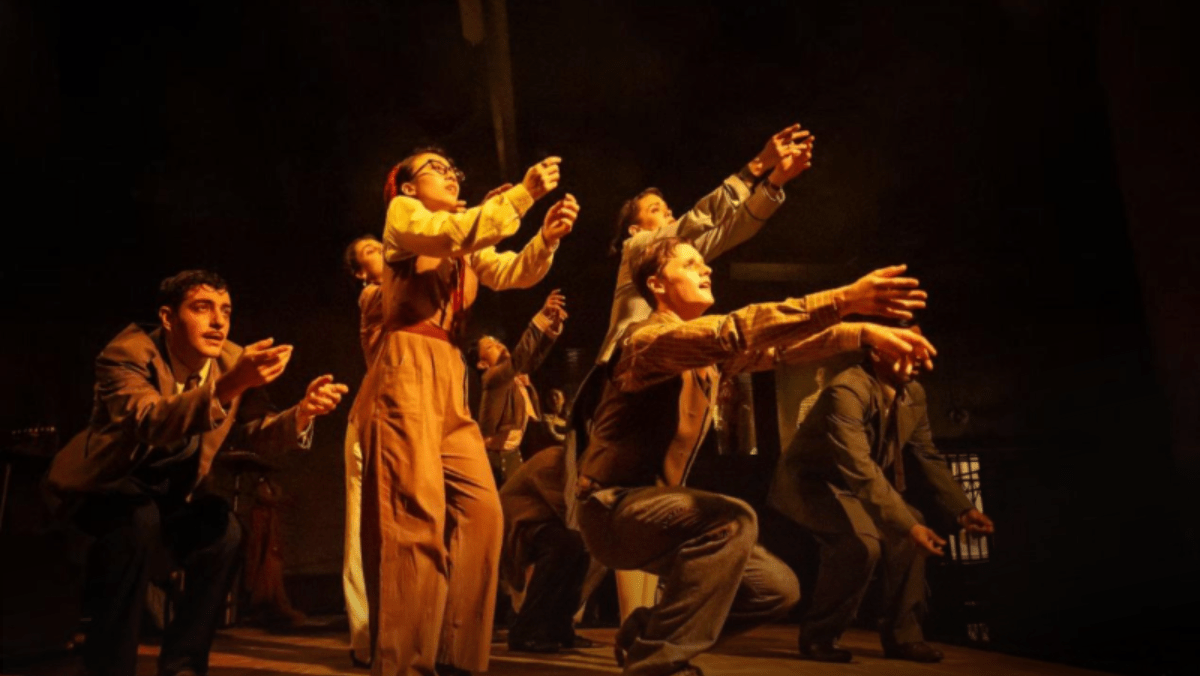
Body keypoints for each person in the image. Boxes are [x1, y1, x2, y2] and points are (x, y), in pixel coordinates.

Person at [574, 236, 937, 676]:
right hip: (611, 510)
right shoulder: (647, 343)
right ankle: (657, 664)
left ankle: (647, 632)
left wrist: (861, 332)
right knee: (733, 518)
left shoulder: (704, 359)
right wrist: (843, 300)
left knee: (775, 590)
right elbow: (733, 331)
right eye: (690, 263)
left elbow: (779, 350)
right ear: (657, 284)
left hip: (657, 518)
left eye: (704, 262)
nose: (706, 269)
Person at [45, 270, 348, 676]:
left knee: (225, 532)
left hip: (171, 494)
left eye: (226, 310)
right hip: (103, 486)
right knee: (137, 521)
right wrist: (228, 387)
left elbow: (255, 430)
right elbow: (148, 421)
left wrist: (302, 414)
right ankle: (110, 667)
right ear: (168, 318)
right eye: (202, 308)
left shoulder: (231, 361)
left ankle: (184, 666)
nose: (218, 322)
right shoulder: (128, 353)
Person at [349, 146, 577, 676]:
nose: (450, 175)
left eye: (454, 169)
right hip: (408, 363)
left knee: (484, 514)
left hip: (450, 372)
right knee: (415, 517)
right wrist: (522, 195)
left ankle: (457, 658)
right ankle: (406, 663)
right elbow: (452, 233)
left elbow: (511, 271)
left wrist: (545, 239)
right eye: (436, 169)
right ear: (408, 186)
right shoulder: (405, 216)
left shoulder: (463, 242)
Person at [574, 124, 814, 621]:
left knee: (653, 509)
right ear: (637, 231)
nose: (668, 215)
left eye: (667, 208)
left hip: (668, 383)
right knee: (603, 511)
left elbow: (730, 229)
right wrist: (755, 167)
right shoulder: (639, 252)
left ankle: (647, 624)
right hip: (627, 383)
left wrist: (773, 184)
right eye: (656, 211)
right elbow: (699, 220)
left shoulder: (679, 258)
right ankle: (589, 616)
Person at [768, 327, 994, 664]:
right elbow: (858, 466)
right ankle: (820, 636)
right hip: (810, 484)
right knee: (861, 544)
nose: (919, 359)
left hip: (855, 485)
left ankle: (904, 637)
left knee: (911, 526)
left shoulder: (913, 393)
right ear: (877, 352)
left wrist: (962, 509)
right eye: (906, 349)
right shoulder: (847, 389)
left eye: (921, 350)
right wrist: (906, 525)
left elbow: (926, 454)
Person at [498, 446, 595, 654]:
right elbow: (567, 511)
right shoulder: (553, 462)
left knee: (576, 546)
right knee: (567, 545)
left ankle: (558, 627)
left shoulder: (571, 464)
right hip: (518, 526)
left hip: (540, 523)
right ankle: (526, 629)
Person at [342, 234, 387, 666]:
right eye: (372, 251)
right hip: (370, 418)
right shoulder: (373, 295)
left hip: (406, 419)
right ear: (360, 273)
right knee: (362, 529)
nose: (384, 251)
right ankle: (363, 636)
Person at [476, 290, 566, 486]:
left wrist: (552, 328)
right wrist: (541, 318)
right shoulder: (492, 378)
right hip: (495, 458)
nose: (499, 346)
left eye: (498, 342)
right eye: (490, 347)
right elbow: (521, 356)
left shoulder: (513, 376)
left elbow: (533, 358)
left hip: (512, 453)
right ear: (483, 364)